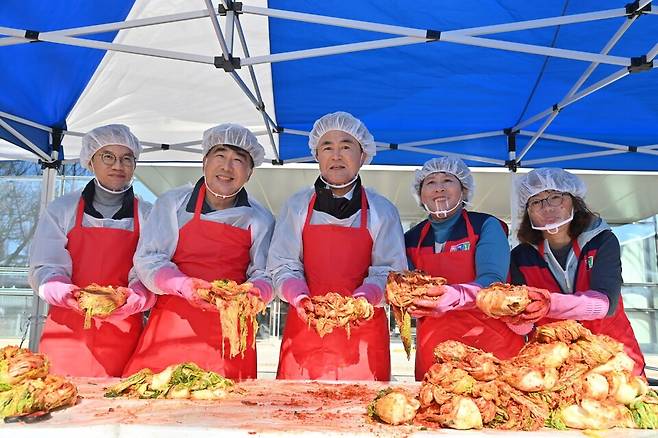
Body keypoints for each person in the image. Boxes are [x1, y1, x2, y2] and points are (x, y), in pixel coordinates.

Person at [123, 124, 274, 379]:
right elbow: (149, 259)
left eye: (238, 160)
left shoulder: (260, 219)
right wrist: (183, 284)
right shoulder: (173, 203)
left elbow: (266, 273)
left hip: (230, 338)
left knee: (226, 409)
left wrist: (254, 292)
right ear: (205, 162)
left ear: (249, 173)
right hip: (171, 331)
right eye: (220, 156)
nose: (227, 167)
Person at [267, 111, 406, 381]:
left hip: (363, 340)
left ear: (363, 155)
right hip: (304, 332)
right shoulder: (296, 206)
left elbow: (389, 272)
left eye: (346, 146)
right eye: (327, 147)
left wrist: (364, 299)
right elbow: (283, 264)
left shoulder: (382, 210)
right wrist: (299, 297)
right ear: (316, 155)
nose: (336, 155)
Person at [29, 124, 155, 377]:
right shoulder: (62, 209)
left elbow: (150, 268)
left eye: (126, 158)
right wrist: (65, 293)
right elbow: (45, 265)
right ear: (90, 161)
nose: (117, 165)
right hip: (65, 332)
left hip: (124, 332)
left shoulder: (149, 215)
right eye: (108, 156)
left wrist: (136, 297)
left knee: (117, 410)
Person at [509, 168, 645, 375]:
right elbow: (525, 324)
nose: (547, 207)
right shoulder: (521, 256)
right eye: (536, 201)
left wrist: (546, 304)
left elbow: (604, 304)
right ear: (528, 212)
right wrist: (515, 319)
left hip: (613, 355)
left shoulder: (602, 242)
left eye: (555, 197)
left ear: (574, 201)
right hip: (556, 363)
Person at [404, 157, 525, 380]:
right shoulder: (411, 238)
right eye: (430, 182)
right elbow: (407, 287)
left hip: (489, 346)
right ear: (420, 194)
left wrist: (454, 295)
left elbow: (492, 280)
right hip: (435, 351)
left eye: (448, 180)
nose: (439, 187)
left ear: (464, 189)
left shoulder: (485, 226)